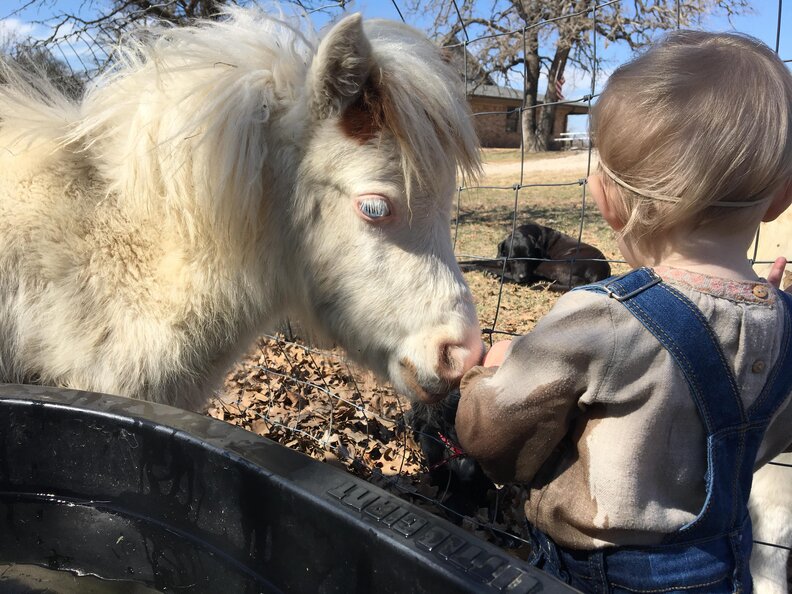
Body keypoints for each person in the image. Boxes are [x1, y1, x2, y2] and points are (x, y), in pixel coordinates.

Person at [455, 30, 792, 594]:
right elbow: (767, 438)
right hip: (722, 566)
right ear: (782, 196)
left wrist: (494, 372)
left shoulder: (599, 319)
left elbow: (493, 439)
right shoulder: (786, 326)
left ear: (604, 197)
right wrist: (758, 336)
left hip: (596, 576)